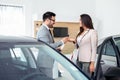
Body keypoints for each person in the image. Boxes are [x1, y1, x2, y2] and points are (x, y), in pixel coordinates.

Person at [36, 11, 69, 78]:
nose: (54, 22)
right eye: (53, 20)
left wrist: (56, 49)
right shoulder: (43, 30)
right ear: (47, 20)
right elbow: (47, 46)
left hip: (47, 63)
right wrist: (61, 42)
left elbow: (46, 45)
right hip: (44, 63)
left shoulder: (47, 30)